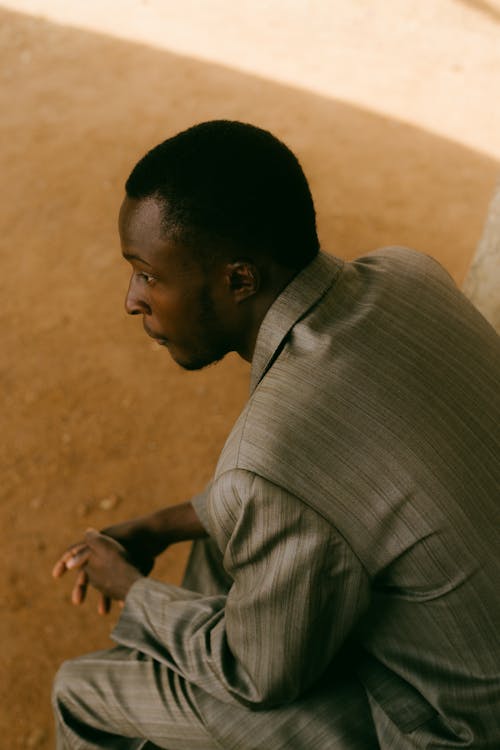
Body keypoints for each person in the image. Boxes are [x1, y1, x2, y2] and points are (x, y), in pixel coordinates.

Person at [52, 120, 500, 749]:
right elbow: (319, 487)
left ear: (239, 280)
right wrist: (160, 526)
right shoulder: (407, 273)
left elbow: (255, 675)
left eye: (149, 275)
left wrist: (134, 593)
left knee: (82, 690)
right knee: (223, 538)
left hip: (450, 728)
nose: (133, 299)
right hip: (473, 648)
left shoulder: (270, 455)